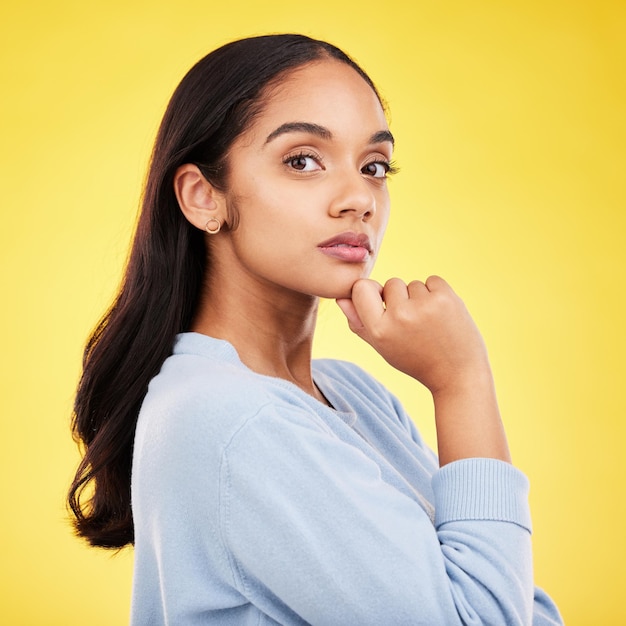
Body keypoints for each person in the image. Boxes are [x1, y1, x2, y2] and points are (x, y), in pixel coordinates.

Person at [68, 34, 563, 625]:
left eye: (374, 166)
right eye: (302, 160)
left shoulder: (353, 395)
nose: (359, 199)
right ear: (204, 197)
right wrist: (463, 383)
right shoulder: (231, 419)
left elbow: (509, 598)